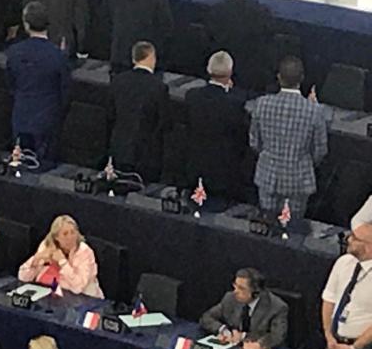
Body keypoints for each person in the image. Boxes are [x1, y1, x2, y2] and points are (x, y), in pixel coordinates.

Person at [249, 55, 327, 220]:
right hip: (298, 181)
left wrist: (270, 157)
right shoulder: (314, 111)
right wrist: (303, 163)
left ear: (278, 77)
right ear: (302, 79)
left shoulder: (261, 104)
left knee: (267, 227)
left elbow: (254, 142)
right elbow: (320, 150)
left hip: (267, 176)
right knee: (293, 230)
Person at [5, 2, 71, 163]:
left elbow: (10, 84)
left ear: (26, 24)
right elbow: (65, 91)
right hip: (48, 120)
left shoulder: (14, 52)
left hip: (21, 116)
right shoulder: (58, 56)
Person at [184, 51, 250, 201]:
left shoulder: (192, 96)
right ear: (230, 73)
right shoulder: (235, 103)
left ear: (208, 70)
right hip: (223, 172)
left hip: (195, 168)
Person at [106, 41, 169, 183]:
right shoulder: (159, 87)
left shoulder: (118, 81)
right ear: (151, 58)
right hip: (147, 155)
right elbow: (163, 121)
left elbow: (110, 115)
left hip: (120, 149)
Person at [206, 0, 275, 92]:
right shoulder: (263, 13)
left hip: (222, 77)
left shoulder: (217, 12)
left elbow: (210, 42)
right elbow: (268, 47)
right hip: (252, 79)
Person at [321, 223, 372, 349]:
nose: (349, 239)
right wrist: (329, 336)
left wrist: (353, 348)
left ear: (368, 246)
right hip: (333, 345)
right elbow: (328, 300)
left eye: (355, 238)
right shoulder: (343, 262)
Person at [199, 268, 288, 349]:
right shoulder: (230, 298)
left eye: (241, 288)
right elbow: (206, 317)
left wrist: (244, 337)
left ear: (255, 293)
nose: (235, 291)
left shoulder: (277, 307)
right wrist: (223, 330)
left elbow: (276, 337)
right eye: (235, 285)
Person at [18, 215, 104, 297]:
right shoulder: (47, 246)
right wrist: (36, 260)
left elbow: (78, 287)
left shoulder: (85, 251)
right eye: (65, 234)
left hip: (85, 299)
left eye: (73, 232)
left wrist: (62, 262)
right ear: (56, 237)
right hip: (51, 296)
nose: (70, 237)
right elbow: (23, 277)